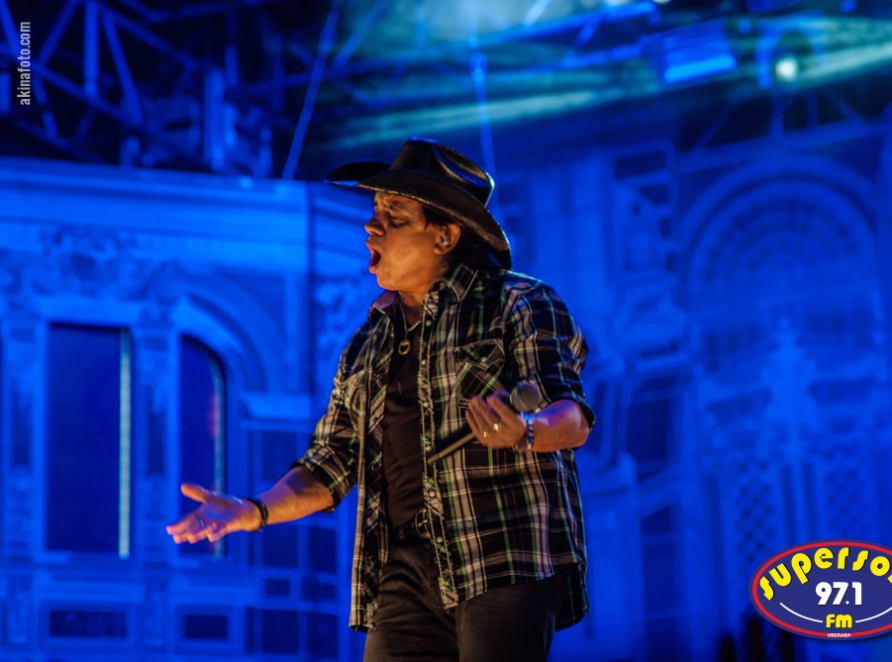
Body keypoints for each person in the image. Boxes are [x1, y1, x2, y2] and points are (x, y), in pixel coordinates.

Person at [166, 137, 594, 662]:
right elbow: (329, 465)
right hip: (401, 569)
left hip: (499, 553)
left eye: (394, 216)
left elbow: (571, 416)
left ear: (444, 236)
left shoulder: (517, 302)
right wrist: (251, 510)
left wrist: (525, 431)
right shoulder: (367, 343)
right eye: (374, 212)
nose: (372, 226)